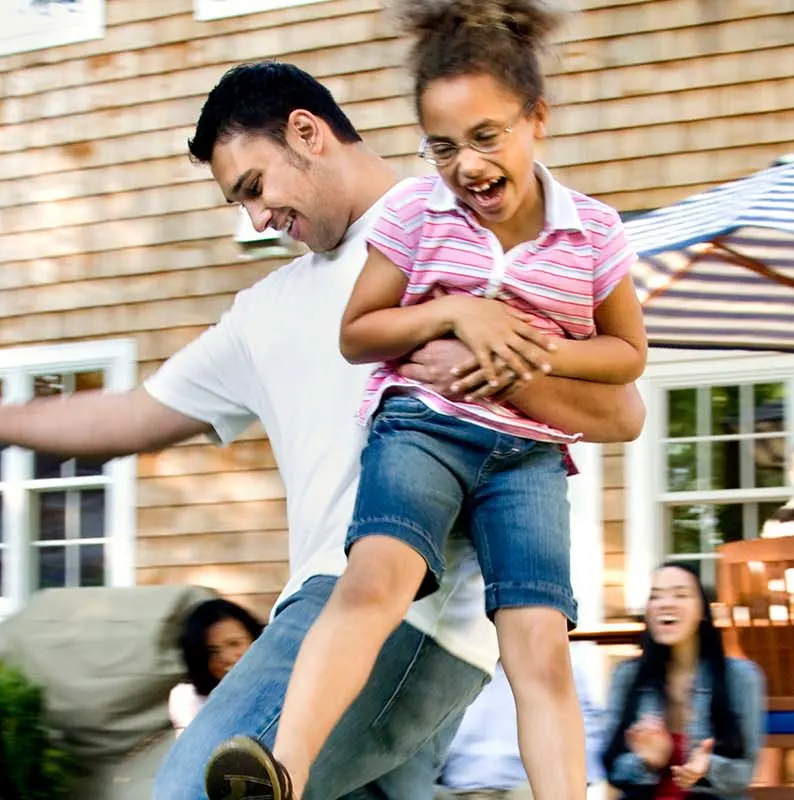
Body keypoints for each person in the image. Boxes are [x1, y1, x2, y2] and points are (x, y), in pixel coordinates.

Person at [0, 59, 645, 800]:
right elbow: (135, 413)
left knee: (191, 786)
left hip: (410, 613)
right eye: (238, 202)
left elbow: (620, 411)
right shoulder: (266, 311)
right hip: (340, 627)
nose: (256, 219)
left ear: (308, 133)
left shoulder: (455, 224)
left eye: (256, 187)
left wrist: (500, 366)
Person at [206, 2, 643, 799]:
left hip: (530, 457)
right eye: (441, 147)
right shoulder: (415, 212)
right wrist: (452, 312)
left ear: (535, 120)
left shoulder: (595, 234)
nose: (465, 165)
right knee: (373, 581)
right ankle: (285, 771)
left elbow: (626, 356)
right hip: (423, 431)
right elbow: (360, 330)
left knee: (539, 646)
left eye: (485, 137)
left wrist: (524, 349)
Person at [602, 562, 766, 800]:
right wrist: (649, 762)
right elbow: (613, 769)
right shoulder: (627, 676)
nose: (666, 603)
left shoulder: (741, 677)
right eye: (656, 596)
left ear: (702, 611)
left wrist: (707, 767)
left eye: (681, 594)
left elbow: (745, 774)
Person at [435, 654, 609, 800]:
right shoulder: (456, 674)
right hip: (461, 791)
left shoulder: (560, 672)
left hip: (529, 791)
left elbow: (587, 751)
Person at [171, 598, 266, 731]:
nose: (225, 657)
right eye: (212, 651)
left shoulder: (282, 687)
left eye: (234, 644)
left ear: (256, 640)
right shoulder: (188, 699)